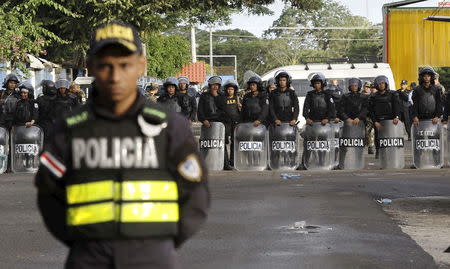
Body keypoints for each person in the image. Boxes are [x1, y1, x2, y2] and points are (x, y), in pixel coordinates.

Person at [35, 21, 209, 269]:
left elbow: (196, 196)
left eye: (124, 65)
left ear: (141, 65)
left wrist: (159, 244)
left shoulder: (170, 127)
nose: (115, 76)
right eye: (105, 65)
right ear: (90, 66)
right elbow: (49, 196)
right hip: (88, 259)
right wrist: (85, 244)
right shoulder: (70, 129)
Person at [368, 75, 401, 159]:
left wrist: (397, 117)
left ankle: (392, 152)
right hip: (379, 120)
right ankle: (378, 150)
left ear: (386, 84)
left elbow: (397, 106)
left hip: (391, 119)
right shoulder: (373, 96)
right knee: (378, 136)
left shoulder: (393, 94)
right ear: (376, 85)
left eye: (383, 83)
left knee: (391, 137)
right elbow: (371, 111)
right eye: (379, 84)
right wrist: (375, 121)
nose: (381, 85)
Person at [220, 80, 241, 170]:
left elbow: (240, 109)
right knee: (225, 141)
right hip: (226, 122)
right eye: (228, 89)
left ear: (234, 90)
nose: (230, 91)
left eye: (232, 89)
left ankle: (233, 160)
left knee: (234, 141)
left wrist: (240, 105)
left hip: (235, 122)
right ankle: (225, 161)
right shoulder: (223, 98)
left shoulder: (237, 98)